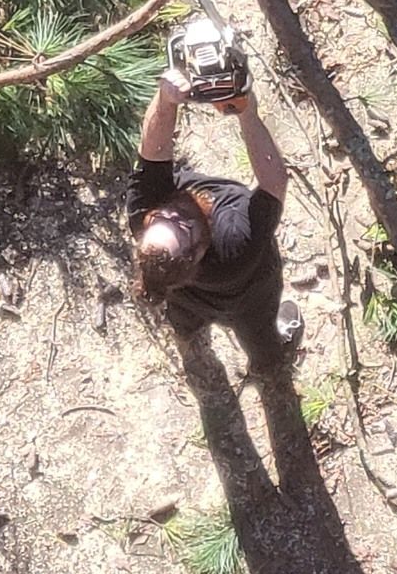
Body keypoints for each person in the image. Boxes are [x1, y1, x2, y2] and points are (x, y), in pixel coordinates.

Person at [127, 64, 302, 374]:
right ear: (196, 253)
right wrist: (248, 113)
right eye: (180, 226)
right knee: (258, 333)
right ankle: (269, 366)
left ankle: (188, 337)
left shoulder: (145, 215)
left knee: (182, 314)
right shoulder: (235, 247)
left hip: (181, 293)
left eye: (160, 219)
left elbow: (152, 150)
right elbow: (274, 182)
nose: (172, 212)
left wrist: (166, 100)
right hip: (245, 300)